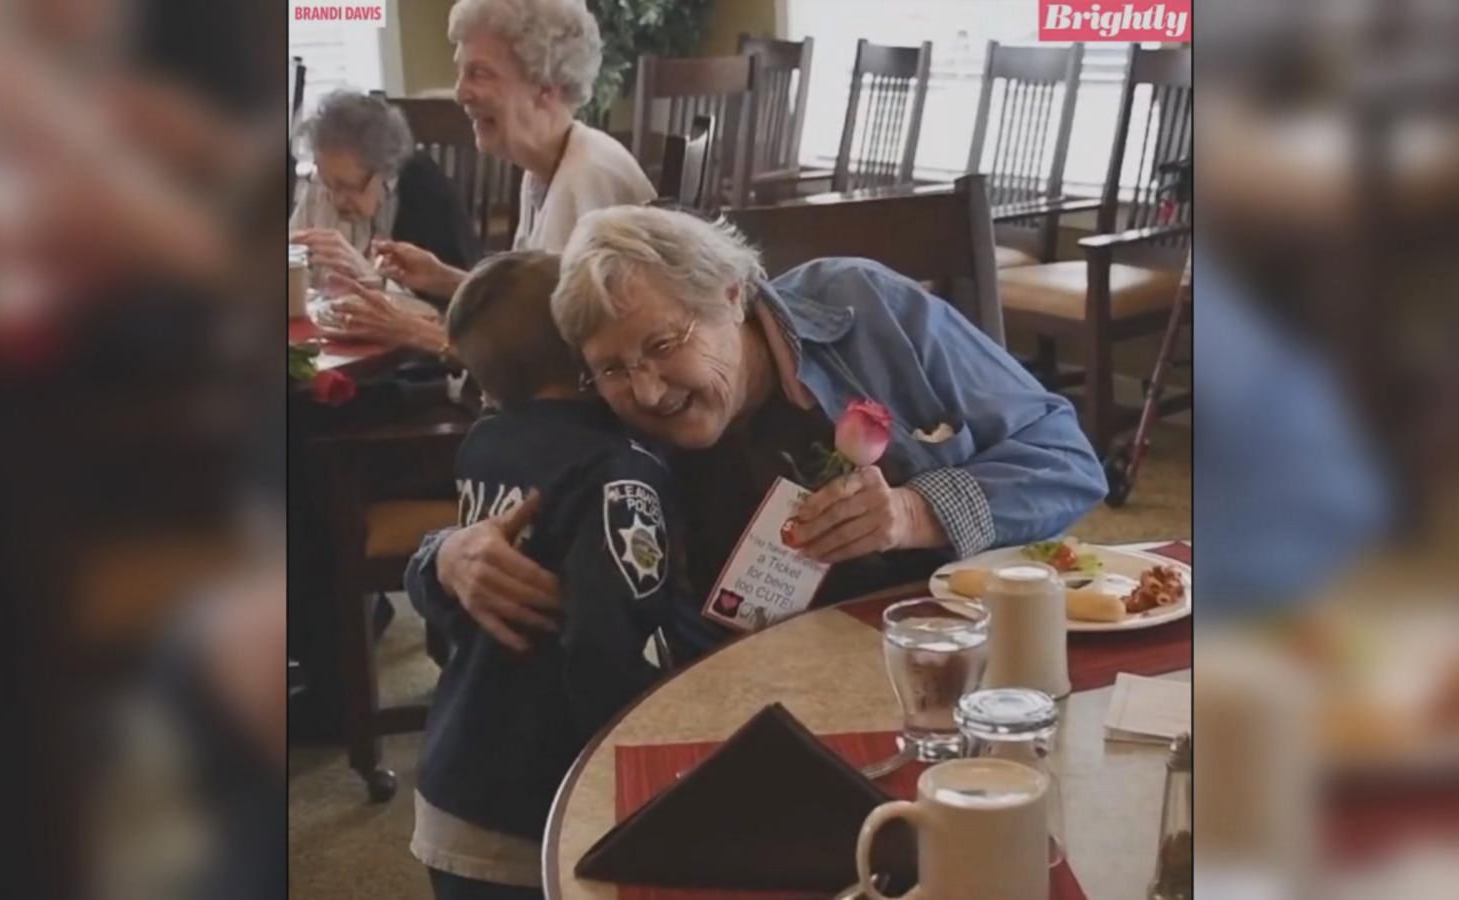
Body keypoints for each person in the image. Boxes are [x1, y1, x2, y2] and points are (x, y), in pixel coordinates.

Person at [436, 205, 1108, 650]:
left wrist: (914, 511)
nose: (645, 391)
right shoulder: (594, 414)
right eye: (612, 369)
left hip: (952, 655)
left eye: (665, 347)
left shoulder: (867, 311)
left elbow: (1066, 459)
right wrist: (441, 560)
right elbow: (492, 502)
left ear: (732, 295)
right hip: (738, 689)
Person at [403, 251, 714, 900]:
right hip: (537, 801)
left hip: (455, 767)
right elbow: (604, 647)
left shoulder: (484, 440)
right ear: (585, 359)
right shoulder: (621, 473)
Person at [354, 0, 656, 324]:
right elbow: (534, 306)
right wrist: (443, 279)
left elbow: (559, 354)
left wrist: (415, 332)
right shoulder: (544, 168)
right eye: (462, 72)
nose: (460, 93)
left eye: (479, 74)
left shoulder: (590, 176)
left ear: (546, 87)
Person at [289, 89, 478, 304]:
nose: (337, 200)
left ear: (384, 170)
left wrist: (368, 275)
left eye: (348, 187)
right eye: (328, 184)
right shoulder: (322, 181)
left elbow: (454, 307)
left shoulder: (425, 194)